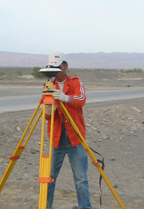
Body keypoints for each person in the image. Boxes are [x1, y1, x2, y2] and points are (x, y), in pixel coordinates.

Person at [44, 52, 92, 209]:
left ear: (65, 66)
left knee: (81, 178)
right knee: (49, 177)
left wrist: (65, 98)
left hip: (75, 138)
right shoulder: (49, 85)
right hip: (56, 139)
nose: (56, 72)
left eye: (58, 68)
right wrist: (49, 109)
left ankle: (85, 207)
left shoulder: (76, 81)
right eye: (52, 69)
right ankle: (45, 206)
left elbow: (81, 100)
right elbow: (46, 115)